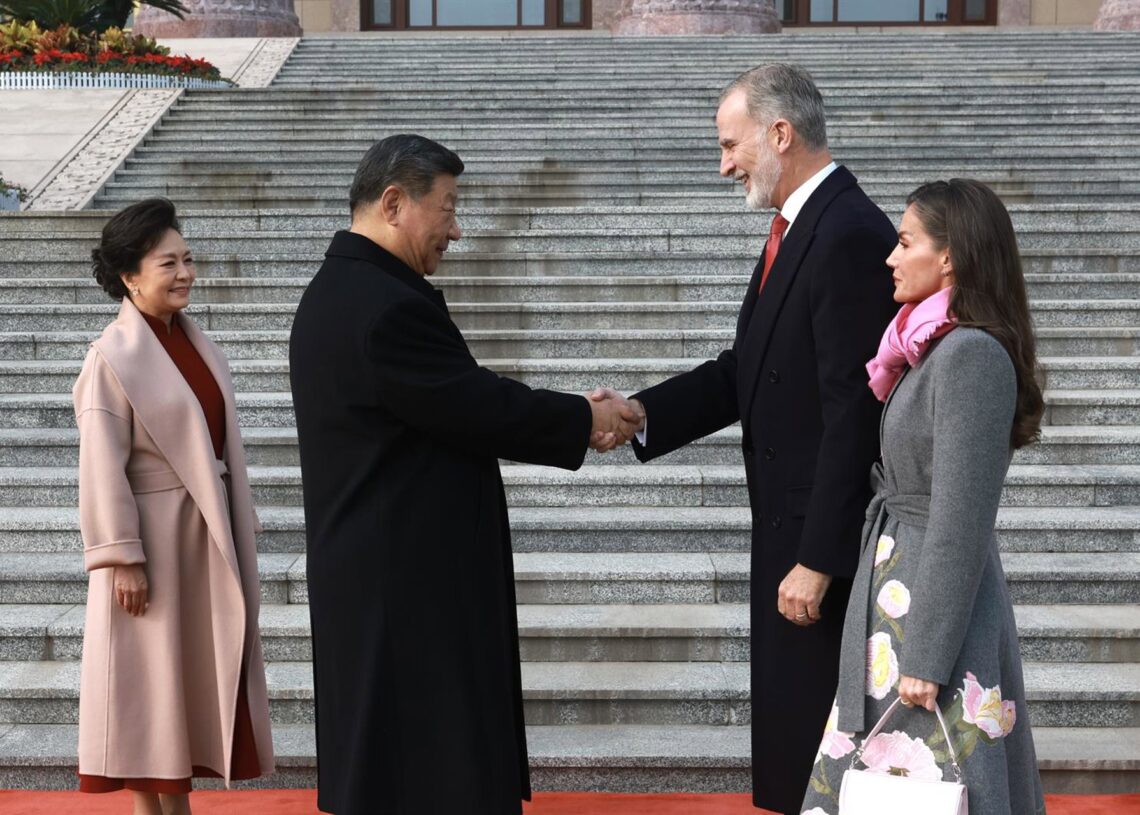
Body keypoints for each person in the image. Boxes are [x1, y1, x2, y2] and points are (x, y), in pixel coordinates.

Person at [288, 134, 638, 815]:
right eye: (446, 208)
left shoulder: (349, 290)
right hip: (408, 591)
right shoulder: (382, 306)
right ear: (394, 203)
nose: (456, 228)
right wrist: (582, 416)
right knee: (430, 772)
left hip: (391, 577)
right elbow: (475, 403)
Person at [592, 63, 898, 814]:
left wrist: (820, 559)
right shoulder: (801, 228)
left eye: (731, 145)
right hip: (788, 533)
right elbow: (748, 368)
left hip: (813, 549)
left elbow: (853, 411)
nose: (724, 164)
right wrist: (641, 411)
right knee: (796, 742)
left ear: (780, 134)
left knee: (819, 747)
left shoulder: (848, 233)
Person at [800, 179, 1046, 815]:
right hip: (896, 594)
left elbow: (962, 518)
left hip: (932, 614)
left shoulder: (969, 356)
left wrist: (929, 655)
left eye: (905, 241)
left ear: (950, 258)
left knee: (945, 785)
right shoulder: (926, 347)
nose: (890, 256)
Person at [74, 198, 274, 815]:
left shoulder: (192, 341)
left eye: (189, 259)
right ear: (131, 275)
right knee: (147, 682)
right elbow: (100, 466)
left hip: (202, 538)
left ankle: (174, 807)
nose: (186, 272)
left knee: (178, 678)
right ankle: (149, 809)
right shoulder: (112, 355)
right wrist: (121, 556)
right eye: (169, 263)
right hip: (152, 545)